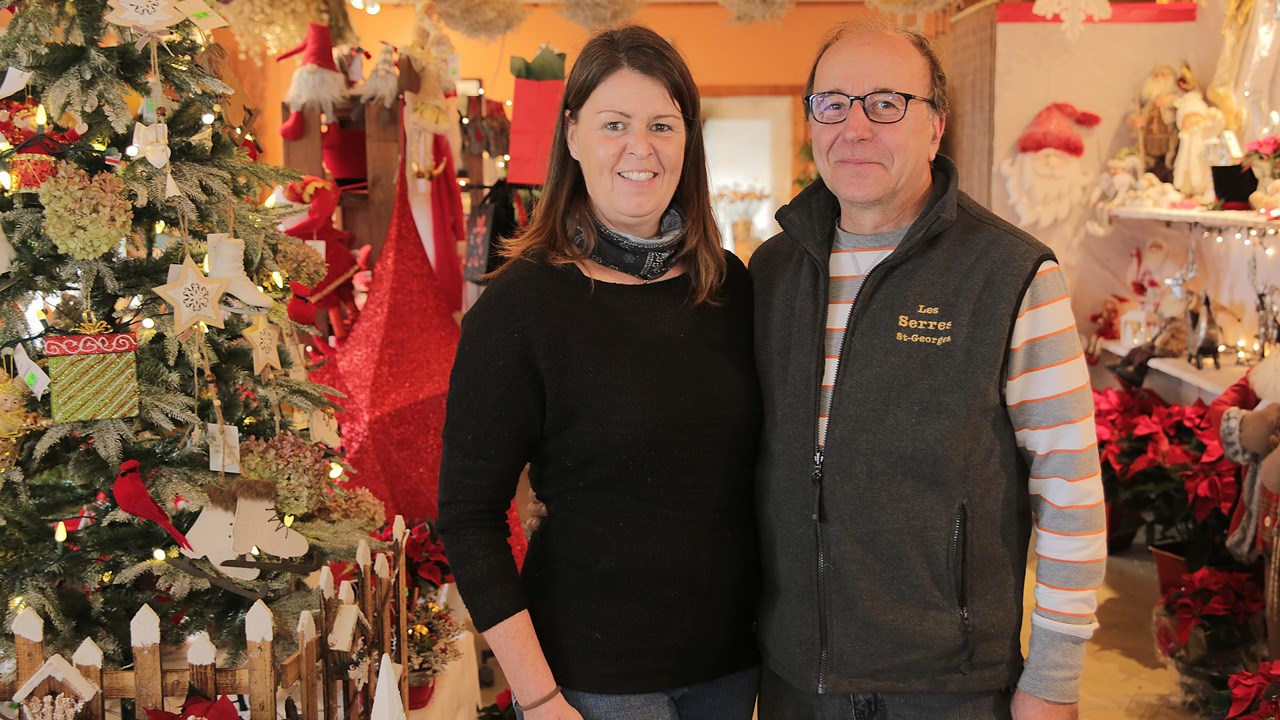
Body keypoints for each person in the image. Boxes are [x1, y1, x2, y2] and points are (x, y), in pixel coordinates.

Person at [749, 21, 1106, 720]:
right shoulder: (772, 272)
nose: (855, 127)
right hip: (792, 677)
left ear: (936, 126)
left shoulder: (1009, 275)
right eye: (833, 103)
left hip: (947, 688)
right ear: (811, 120)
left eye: (886, 103)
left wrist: (1054, 675)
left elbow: (1069, 484)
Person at [436, 24, 761, 720]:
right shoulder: (520, 305)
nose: (639, 149)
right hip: (588, 683)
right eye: (615, 124)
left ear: (688, 139)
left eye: (661, 125)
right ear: (573, 134)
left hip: (731, 670)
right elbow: (467, 518)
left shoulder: (728, 287)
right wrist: (540, 696)